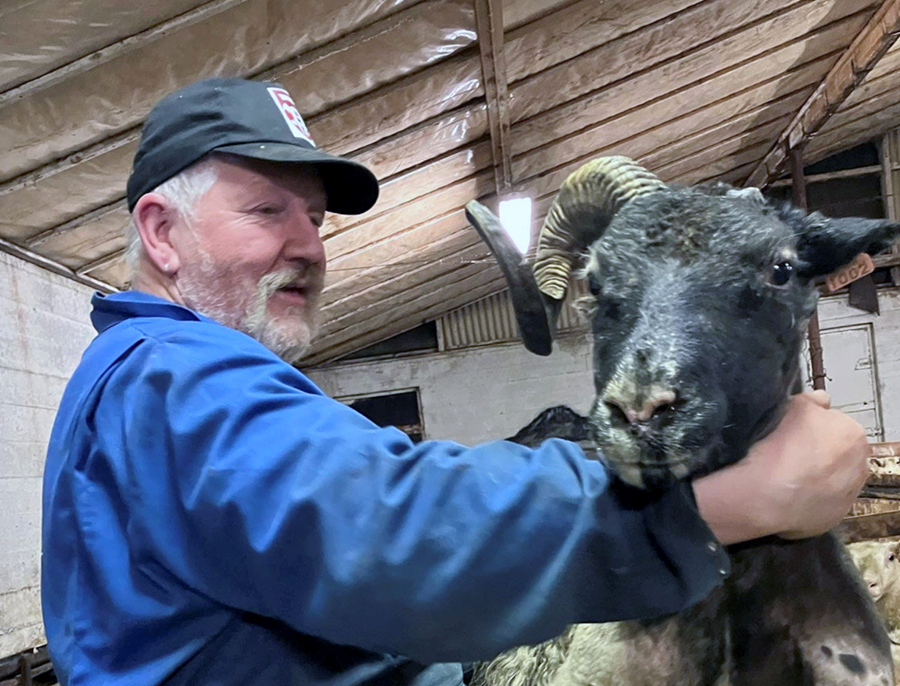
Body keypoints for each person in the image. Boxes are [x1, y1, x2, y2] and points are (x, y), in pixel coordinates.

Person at [41, 77, 870, 686]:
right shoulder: (173, 380)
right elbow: (387, 530)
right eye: (267, 212)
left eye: (315, 218)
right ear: (161, 232)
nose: (310, 246)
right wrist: (711, 507)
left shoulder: (153, 375)